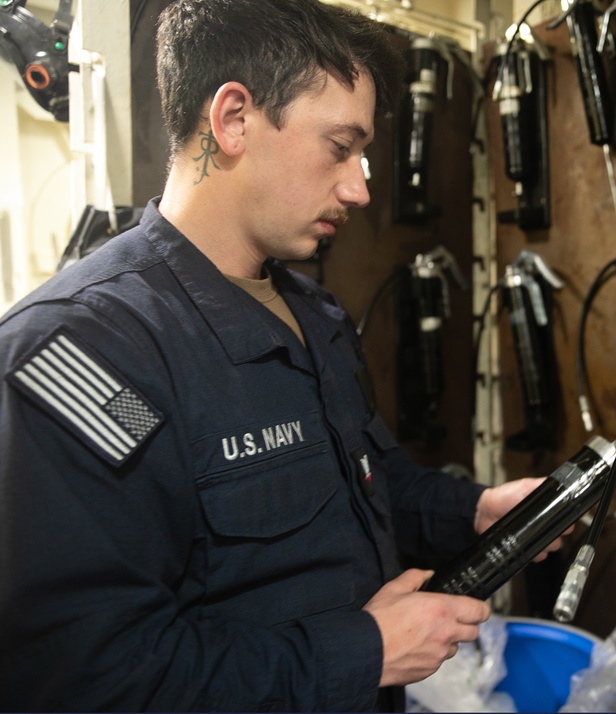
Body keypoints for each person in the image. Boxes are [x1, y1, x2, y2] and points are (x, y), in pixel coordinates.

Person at [0, 0, 562, 710]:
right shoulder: (80, 352)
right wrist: (366, 650)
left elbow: (370, 486)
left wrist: (478, 512)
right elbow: (88, 676)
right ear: (234, 119)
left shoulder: (314, 314)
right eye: (339, 147)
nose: (360, 186)